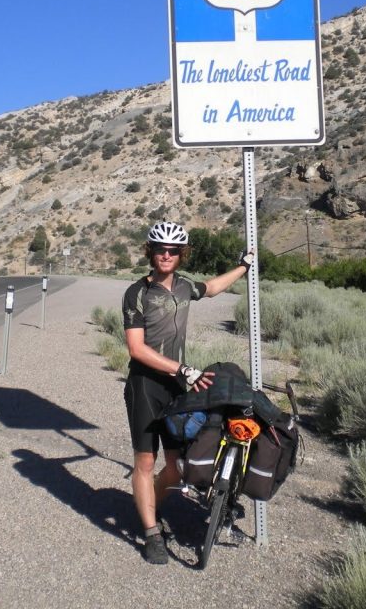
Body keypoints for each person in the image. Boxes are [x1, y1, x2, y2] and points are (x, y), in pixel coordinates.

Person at [121, 220, 254, 564]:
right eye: (160, 249)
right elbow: (136, 349)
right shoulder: (137, 293)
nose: (166, 255)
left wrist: (243, 266)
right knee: (145, 459)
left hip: (177, 386)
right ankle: (151, 533)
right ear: (150, 251)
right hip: (145, 385)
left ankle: (148, 505)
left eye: (173, 250)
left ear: (182, 254)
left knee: (177, 465)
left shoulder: (183, 287)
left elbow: (211, 288)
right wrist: (181, 369)